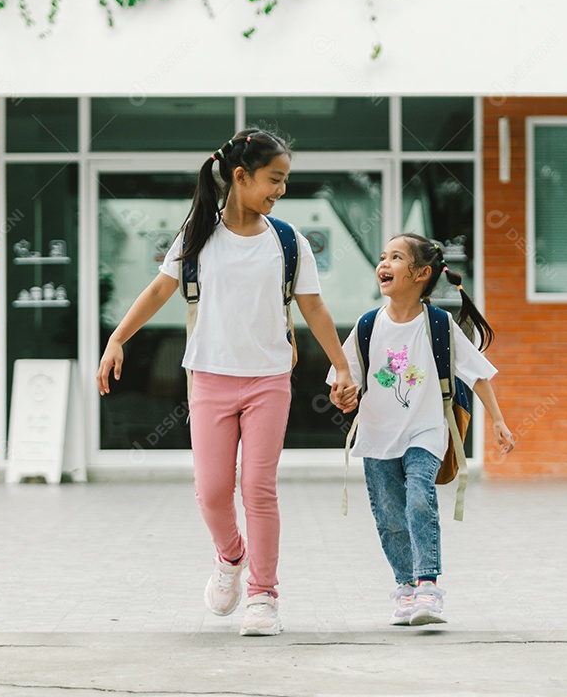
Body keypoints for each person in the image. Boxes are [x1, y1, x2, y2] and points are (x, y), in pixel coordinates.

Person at [97, 128, 356, 636]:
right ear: (241, 177)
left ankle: (263, 595)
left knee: (258, 487)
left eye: (284, 181)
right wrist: (117, 337)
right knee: (212, 491)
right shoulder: (197, 237)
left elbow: (315, 308)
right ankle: (230, 556)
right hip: (210, 380)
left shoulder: (287, 241)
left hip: (269, 381)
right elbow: (158, 290)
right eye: (274, 179)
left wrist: (341, 365)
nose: (280, 190)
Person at [327, 233, 514, 626]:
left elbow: (477, 375)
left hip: (425, 432)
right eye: (383, 257)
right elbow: (344, 379)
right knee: (389, 515)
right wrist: (341, 396)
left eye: (396, 257)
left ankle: (428, 585)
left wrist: (498, 420)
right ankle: (406, 588)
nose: (384, 263)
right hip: (377, 437)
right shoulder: (366, 325)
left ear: (421, 274)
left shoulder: (439, 325)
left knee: (418, 499)